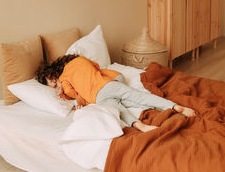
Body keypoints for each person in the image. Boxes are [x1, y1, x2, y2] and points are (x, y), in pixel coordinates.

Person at [36, 54, 195, 132]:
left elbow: (73, 93)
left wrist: (65, 93)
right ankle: (175, 107)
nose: (56, 86)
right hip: (108, 84)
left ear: (53, 74)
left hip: (97, 98)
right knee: (139, 96)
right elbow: (97, 66)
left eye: (54, 84)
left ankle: (141, 126)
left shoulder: (64, 78)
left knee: (119, 111)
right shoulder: (80, 60)